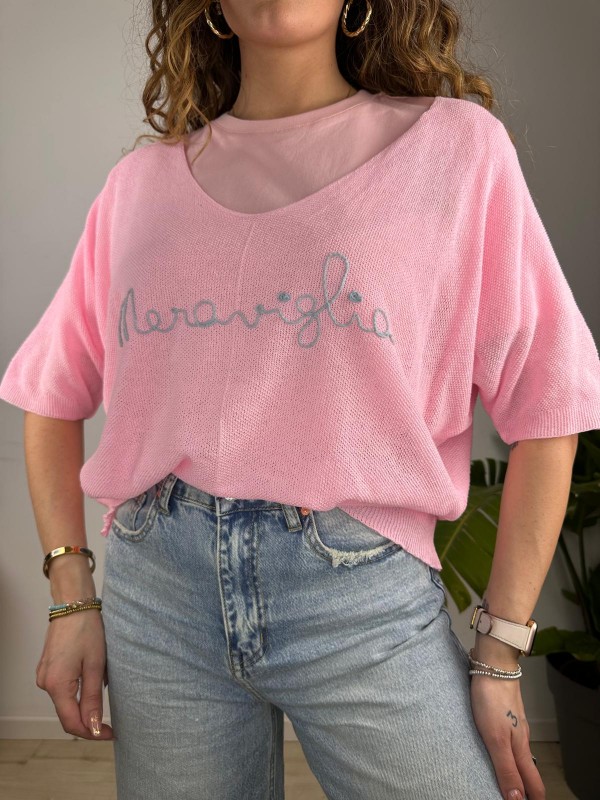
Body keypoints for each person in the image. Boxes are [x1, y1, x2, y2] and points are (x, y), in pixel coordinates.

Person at [1, 1, 600, 798]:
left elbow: (551, 403)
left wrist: (501, 651)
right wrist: (70, 597)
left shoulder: (456, 150)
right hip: (159, 598)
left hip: (359, 598)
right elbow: (49, 390)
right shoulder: (138, 186)